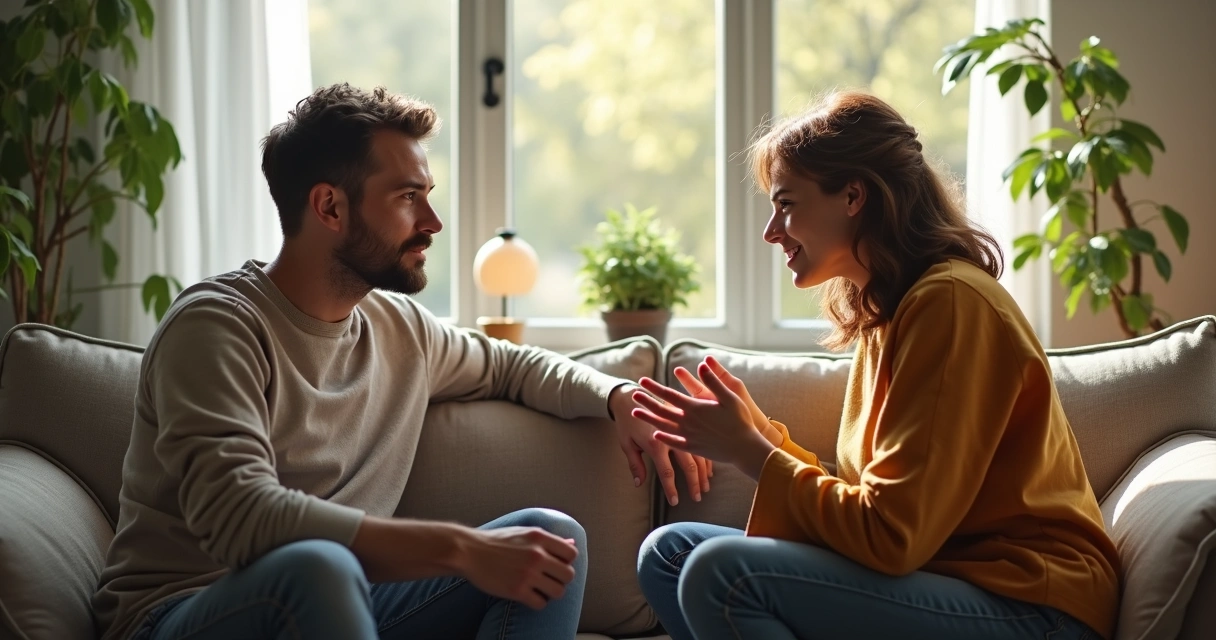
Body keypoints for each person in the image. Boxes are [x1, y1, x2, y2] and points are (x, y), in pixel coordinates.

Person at [93, 83, 710, 640]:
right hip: (181, 614)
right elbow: (238, 517)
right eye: (408, 198)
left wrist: (618, 397)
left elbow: (512, 368)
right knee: (318, 566)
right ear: (330, 208)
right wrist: (457, 549)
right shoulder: (217, 327)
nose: (434, 222)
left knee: (551, 542)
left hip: (339, 599)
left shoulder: (400, 329)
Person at [632, 91, 1120, 640]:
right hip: (945, 579)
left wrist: (752, 451)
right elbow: (870, 510)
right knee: (668, 555)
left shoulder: (951, 305)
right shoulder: (889, 313)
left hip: (1033, 606)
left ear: (853, 196)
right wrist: (759, 434)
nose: (772, 232)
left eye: (787, 204)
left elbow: (891, 537)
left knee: (721, 575)